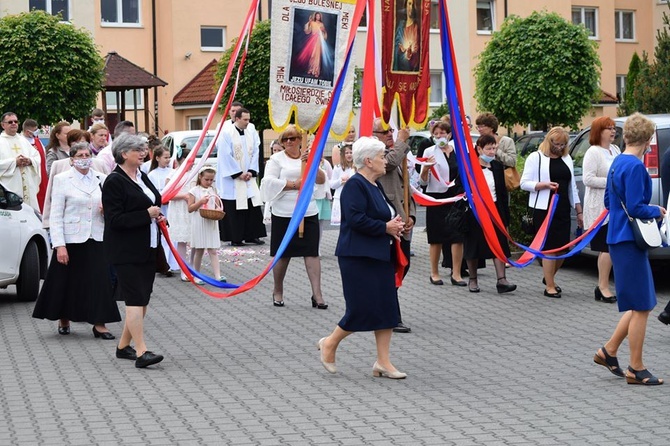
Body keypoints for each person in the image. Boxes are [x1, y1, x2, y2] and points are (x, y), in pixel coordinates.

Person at [317, 137, 407, 379]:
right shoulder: (355, 185)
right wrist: (385, 227)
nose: (384, 160)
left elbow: (382, 215)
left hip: (379, 253)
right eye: (380, 156)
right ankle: (330, 343)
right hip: (358, 256)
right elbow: (355, 219)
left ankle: (383, 362)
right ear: (367, 161)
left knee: (387, 308)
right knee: (361, 308)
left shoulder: (374, 183)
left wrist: (395, 225)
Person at [594, 112, 665, 386]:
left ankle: (608, 351)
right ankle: (636, 367)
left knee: (638, 303)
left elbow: (610, 202)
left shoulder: (617, 162)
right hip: (630, 240)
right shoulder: (635, 166)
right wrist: (656, 211)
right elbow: (636, 207)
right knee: (643, 305)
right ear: (647, 140)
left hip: (618, 237)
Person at [32, 143, 120, 337]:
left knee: (99, 280)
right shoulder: (62, 179)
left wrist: (107, 211)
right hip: (71, 238)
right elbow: (56, 215)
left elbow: (112, 207)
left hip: (96, 235)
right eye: (80, 155)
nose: (84, 157)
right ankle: (64, 319)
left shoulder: (102, 179)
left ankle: (100, 323)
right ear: (71, 159)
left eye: (87, 154)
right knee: (67, 281)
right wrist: (59, 245)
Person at [102, 132, 165, 369]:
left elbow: (153, 202)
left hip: (147, 245)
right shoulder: (114, 181)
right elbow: (115, 219)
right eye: (137, 149)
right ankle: (142, 351)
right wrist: (146, 215)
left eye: (143, 149)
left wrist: (157, 216)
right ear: (123, 153)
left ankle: (122, 347)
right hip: (125, 249)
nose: (142, 153)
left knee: (143, 297)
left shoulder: (142, 176)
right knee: (134, 299)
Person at [260, 125, 328, 309]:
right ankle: (278, 290)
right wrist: (293, 184)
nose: (289, 142)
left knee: (311, 252)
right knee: (282, 254)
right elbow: (268, 182)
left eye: (293, 138)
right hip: (284, 211)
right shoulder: (276, 159)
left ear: (300, 140)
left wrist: (313, 163)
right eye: (285, 139)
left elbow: (321, 180)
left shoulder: (308, 157)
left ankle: (317, 294)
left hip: (307, 209)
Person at [520, 127, 582, 298]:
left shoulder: (567, 158)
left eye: (563, 144)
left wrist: (579, 211)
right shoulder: (536, 157)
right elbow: (524, 183)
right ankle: (550, 286)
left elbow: (572, 188)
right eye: (556, 144)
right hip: (543, 207)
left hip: (562, 206)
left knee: (563, 248)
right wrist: (544, 185)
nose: (560, 147)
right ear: (549, 142)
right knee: (549, 248)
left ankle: (549, 278)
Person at [372, 118, 415, 333]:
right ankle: (392, 315)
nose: (390, 133)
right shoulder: (376, 159)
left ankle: (381, 303)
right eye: (385, 131)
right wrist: (401, 142)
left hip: (402, 224)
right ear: (373, 135)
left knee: (403, 266)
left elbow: (406, 190)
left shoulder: (394, 153)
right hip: (388, 225)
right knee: (391, 271)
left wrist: (412, 216)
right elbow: (389, 164)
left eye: (392, 130)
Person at [463, 135, 516, 294]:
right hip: (476, 211)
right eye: (489, 149)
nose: (492, 152)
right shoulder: (470, 167)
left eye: (494, 148)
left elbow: (502, 193)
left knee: (499, 243)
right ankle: (473, 279)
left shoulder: (497, 167)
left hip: (495, 209)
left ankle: (501, 279)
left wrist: (505, 216)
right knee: (474, 243)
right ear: (479, 149)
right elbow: (461, 187)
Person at [418, 121, 464, 286]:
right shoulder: (429, 151)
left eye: (442, 133)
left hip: (455, 197)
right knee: (436, 237)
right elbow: (422, 182)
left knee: (457, 236)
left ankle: (456, 273)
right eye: (436, 134)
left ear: (449, 134)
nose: (439, 137)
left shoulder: (458, 150)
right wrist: (426, 169)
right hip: (436, 197)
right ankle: (434, 273)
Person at [215, 107, 266, 246]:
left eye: (249, 119)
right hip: (234, 179)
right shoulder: (226, 133)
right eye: (245, 120)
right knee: (235, 208)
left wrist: (251, 171)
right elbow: (225, 155)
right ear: (237, 119)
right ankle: (235, 237)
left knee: (252, 206)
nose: (248, 122)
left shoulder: (251, 131)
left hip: (248, 176)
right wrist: (238, 173)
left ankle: (253, 235)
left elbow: (256, 150)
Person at [583, 117, 620, 304]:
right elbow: (587, 179)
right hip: (600, 207)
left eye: (614, 128)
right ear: (599, 131)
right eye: (608, 128)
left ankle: (604, 285)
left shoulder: (616, 150)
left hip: (615, 206)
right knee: (605, 247)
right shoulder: (593, 152)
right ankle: (603, 286)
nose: (613, 131)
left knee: (612, 246)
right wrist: (612, 183)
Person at [187, 167, 224, 284]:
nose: (209, 182)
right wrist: (200, 202)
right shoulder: (194, 191)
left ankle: (218, 275)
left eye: (211, 180)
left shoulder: (213, 190)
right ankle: (197, 275)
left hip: (211, 221)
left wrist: (218, 209)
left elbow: (217, 206)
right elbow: (190, 208)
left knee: (213, 250)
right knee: (199, 250)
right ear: (200, 177)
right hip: (199, 221)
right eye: (206, 179)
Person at [148, 145, 180, 274]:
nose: (167, 160)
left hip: (172, 207)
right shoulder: (152, 174)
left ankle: (174, 262)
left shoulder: (172, 172)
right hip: (162, 207)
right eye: (165, 157)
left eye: (169, 157)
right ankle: (164, 262)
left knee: (174, 234)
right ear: (157, 158)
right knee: (163, 235)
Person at [0, 112, 41, 210]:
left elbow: (36, 156)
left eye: (16, 121)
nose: (14, 123)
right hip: (10, 187)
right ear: (3, 125)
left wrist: (29, 161)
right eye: (10, 122)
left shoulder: (23, 140)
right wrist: (14, 162)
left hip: (27, 184)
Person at [166, 148, 194, 282]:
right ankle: (184, 269)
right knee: (182, 241)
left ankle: (194, 268)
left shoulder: (194, 173)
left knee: (195, 240)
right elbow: (166, 195)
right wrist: (184, 195)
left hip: (193, 208)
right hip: (180, 210)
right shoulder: (173, 175)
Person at [21, 118, 47, 212]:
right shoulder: (21, 142)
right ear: (28, 132)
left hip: (42, 176)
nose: (37, 132)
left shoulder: (38, 141)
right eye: (35, 130)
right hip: (30, 177)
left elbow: (44, 157)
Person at [330, 143, 355, 226]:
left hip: (353, 198)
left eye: (351, 152)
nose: (349, 155)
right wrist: (340, 181)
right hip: (340, 198)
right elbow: (332, 185)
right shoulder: (338, 168)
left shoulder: (356, 168)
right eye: (347, 153)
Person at [393, 0, 420, 72]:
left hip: (411, 64)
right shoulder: (401, 25)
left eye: (412, 5)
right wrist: (400, 49)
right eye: (409, 4)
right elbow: (396, 45)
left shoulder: (415, 27)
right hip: (400, 65)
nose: (410, 7)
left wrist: (411, 52)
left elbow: (417, 48)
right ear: (406, 5)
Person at [303, 12, 328, 78]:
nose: (318, 17)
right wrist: (309, 22)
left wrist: (323, 31)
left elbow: (324, 33)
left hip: (318, 41)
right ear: (315, 16)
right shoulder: (312, 23)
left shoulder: (321, 24)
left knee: (317, 56)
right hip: (312, 40)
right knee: (312, 56)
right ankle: (311, 69)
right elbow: (307, 31)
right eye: (317, 16)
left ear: (320, 17)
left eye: (319, 16)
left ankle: (316, 71)